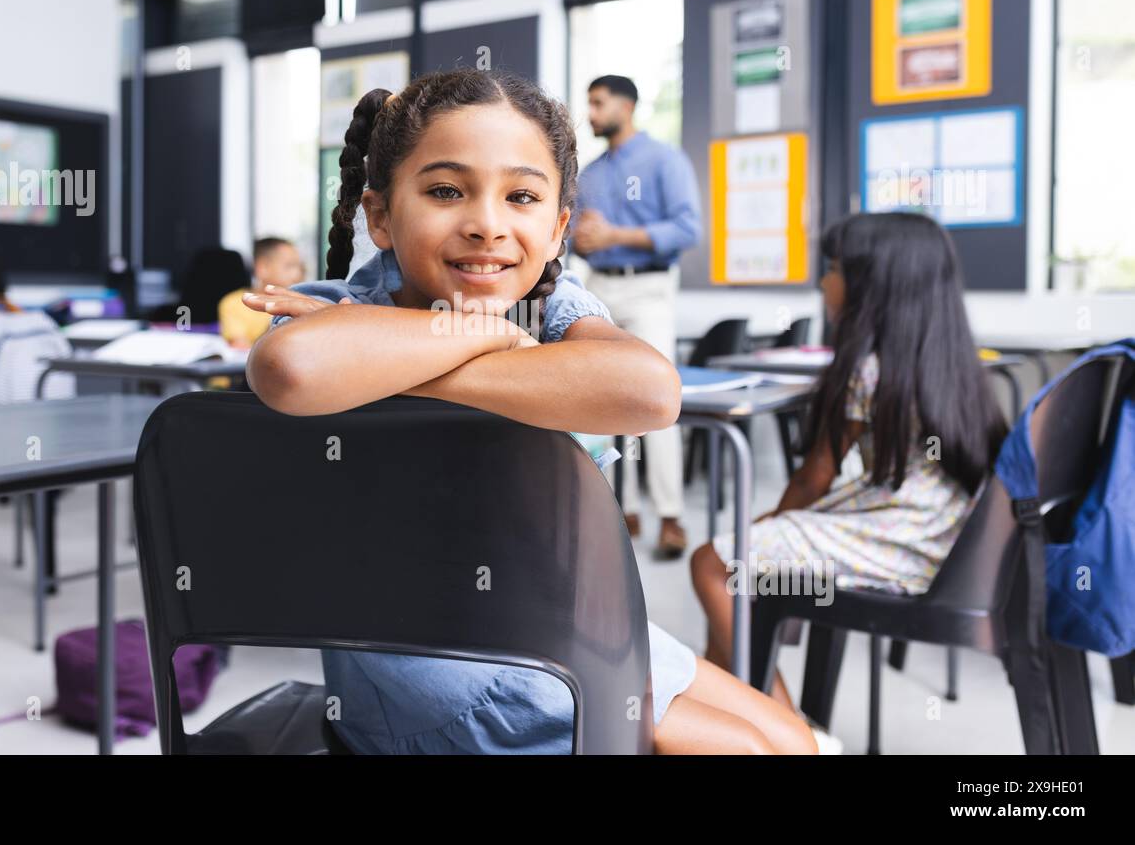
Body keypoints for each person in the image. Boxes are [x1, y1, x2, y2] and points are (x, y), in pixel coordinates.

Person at [242, 69, 814, 754]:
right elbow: (289, 368)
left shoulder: (554, 302)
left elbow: (650, 391)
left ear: (557, 228)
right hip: (441, 674)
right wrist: (494, 335)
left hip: (558, 631)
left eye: (521, 196)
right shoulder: (333, 307)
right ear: (380, 215)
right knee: (751, 751)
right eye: (446, 191)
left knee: (796, 741)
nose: (487, 223)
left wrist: (430, 365)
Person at [691, 212, 1008, 710]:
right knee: (742, 581)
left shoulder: (866, 368)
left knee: (713, 564)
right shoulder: (953, 357)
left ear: (874, 285)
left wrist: (768, 525)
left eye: (834, 267)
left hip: (904, 542)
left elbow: (816, 475)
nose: (824, 281)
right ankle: (720, 720)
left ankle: (795, 735)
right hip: (949, 539)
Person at [572, 75, 701, 559]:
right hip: (599, 287)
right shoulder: (590, 174)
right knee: (597, 398)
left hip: (648, 288)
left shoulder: (665, 160)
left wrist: (615, 237)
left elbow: (687, 228)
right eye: (589, 103)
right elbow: (573, 237)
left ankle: (670, 516)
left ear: (626, 106)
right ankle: (614, 507)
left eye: (599, 102)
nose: (591, 111)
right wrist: (579, 240)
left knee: (656, 397)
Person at [218, 237, 305, 348]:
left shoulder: (303, 301)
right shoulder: (234, 303)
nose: (297, 274)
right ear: (262, 268)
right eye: (289, 266)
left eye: (300, 267)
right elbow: (240, 348)